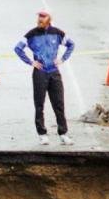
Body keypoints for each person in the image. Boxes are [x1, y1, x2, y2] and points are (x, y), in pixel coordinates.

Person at [14, 10, 75, 146]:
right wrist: (31, 62)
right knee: (39, 104)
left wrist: (62, 59)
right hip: (40, 73)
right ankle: (42, 134)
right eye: (39, 17)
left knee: (59, 104)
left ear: (49, 18)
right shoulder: (31, 34)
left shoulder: (57, 33)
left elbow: (71, 45)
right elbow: (18, 48)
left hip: (54, 72)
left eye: (43, 17)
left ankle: (63, 134)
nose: (40, 19)